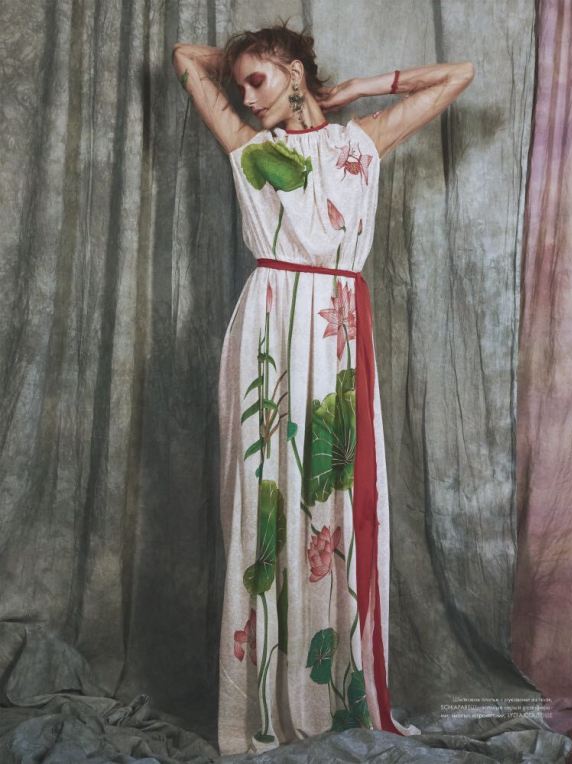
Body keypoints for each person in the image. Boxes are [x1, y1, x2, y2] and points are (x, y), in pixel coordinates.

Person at [172, 19, 474, 757]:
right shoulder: (248, 147)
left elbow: (458, 75)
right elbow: (185, 58)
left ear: (295, 71)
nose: (246, 99)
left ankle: (326, 692)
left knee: (329, 501)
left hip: (336, 327)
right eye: (240, 86)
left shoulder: (359, 143)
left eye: (258, 80)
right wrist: (250, 64)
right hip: (267, 329)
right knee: (263, 500)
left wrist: (356, 86)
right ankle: (260, 702)